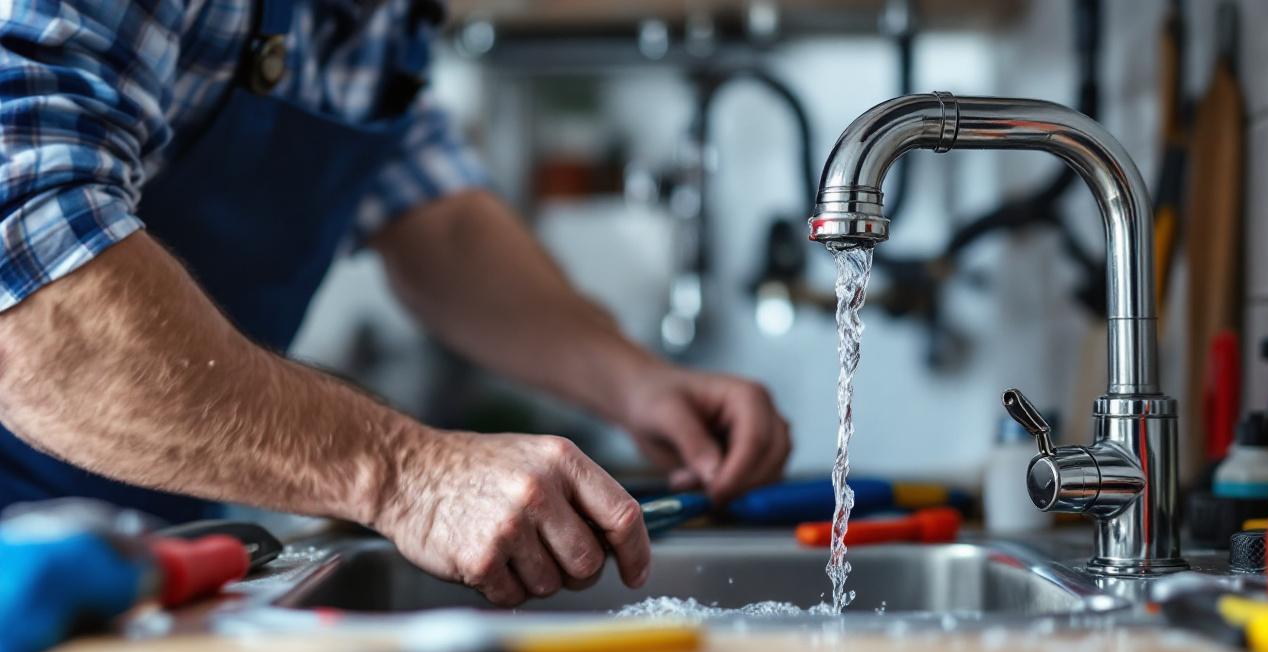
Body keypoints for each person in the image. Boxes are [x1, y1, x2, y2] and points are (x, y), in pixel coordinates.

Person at [0, 0, 792, 606]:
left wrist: (638, 384)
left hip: (138, 553)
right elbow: (33, 305)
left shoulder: (379, 18)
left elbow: (438, 220)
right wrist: (406, 474)